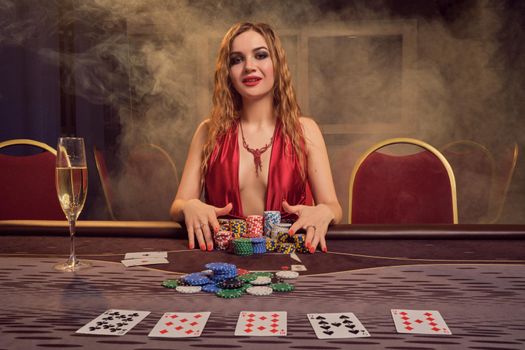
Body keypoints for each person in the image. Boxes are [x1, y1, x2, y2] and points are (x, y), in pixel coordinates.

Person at [170, 22, 342, 253]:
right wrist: (189, 206)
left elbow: (333, 206)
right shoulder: (208, 132)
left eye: (260, 55)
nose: (249, 67)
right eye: (237, 60)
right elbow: (178, 205)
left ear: (277, 64)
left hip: (291, 259)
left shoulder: (305, 130)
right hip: (223, 259)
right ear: (228, 73)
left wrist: (326, 211)